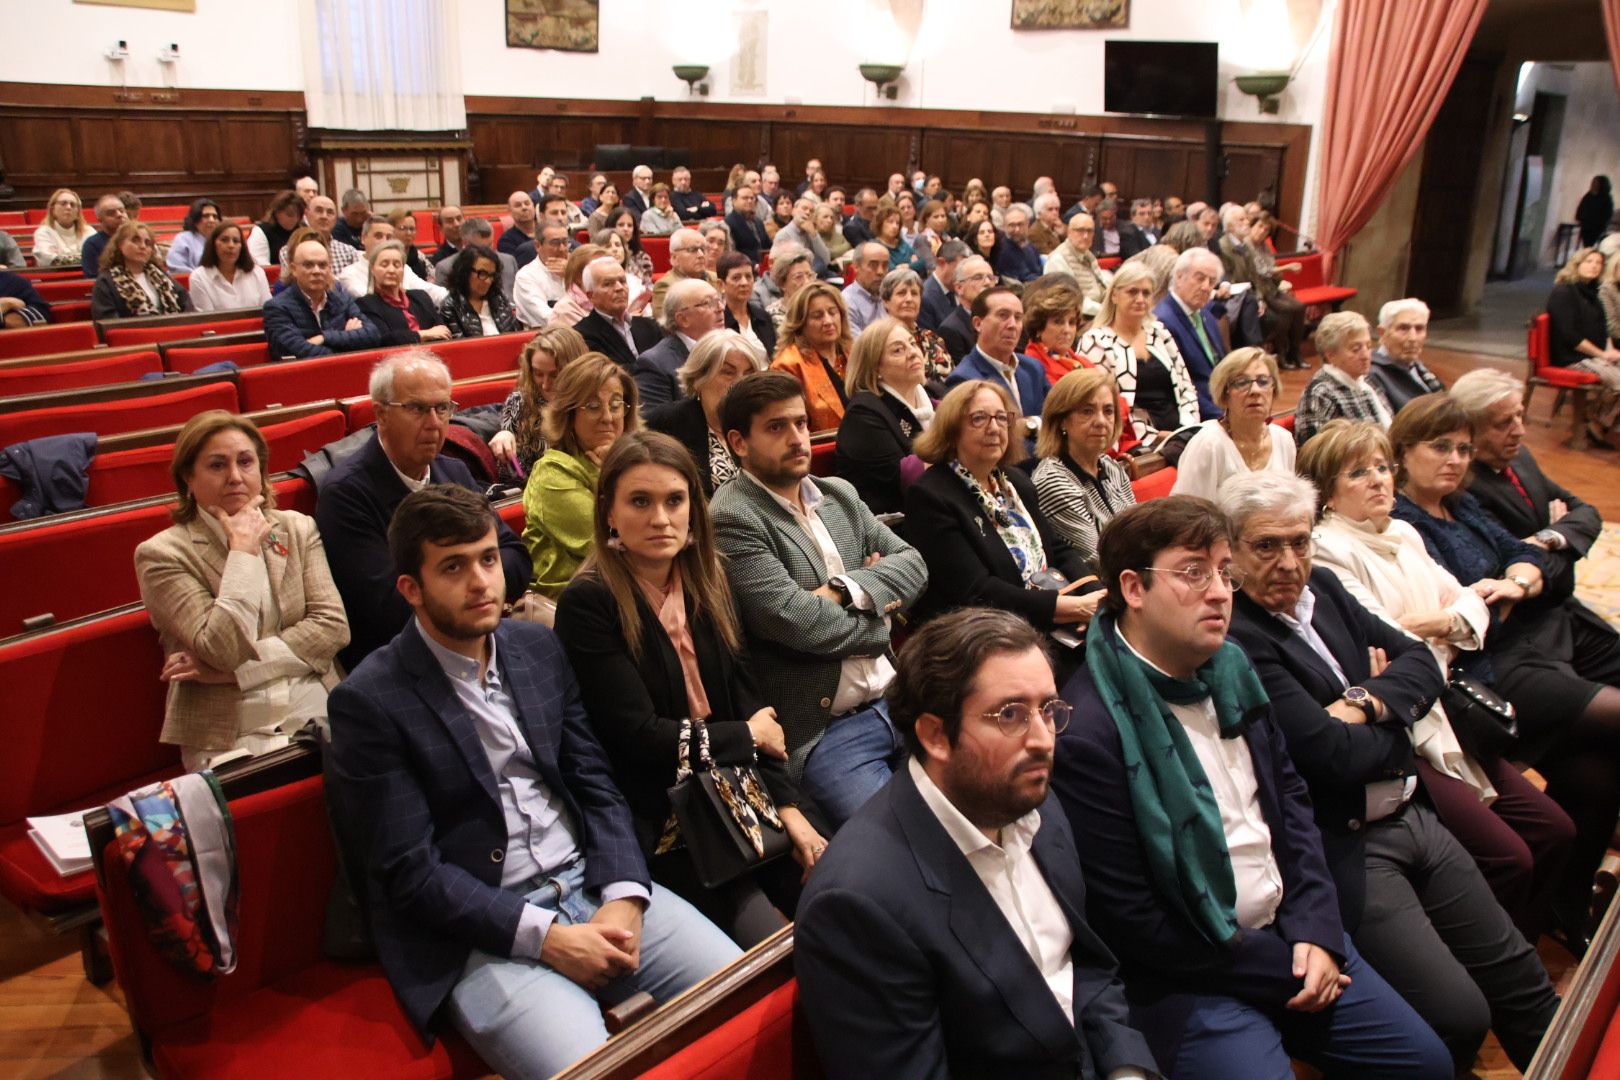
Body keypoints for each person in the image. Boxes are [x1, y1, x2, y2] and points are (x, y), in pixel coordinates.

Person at [326, 482, 739, 1079]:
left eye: (489, 559)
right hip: (482, 927)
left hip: (593, 883)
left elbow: (595, 780)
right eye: (454, 567)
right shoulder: (369, 700)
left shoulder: (535, 647)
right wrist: (545, 937)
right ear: (410, 590)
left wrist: (624, 893)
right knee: (596, 1072)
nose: (481, 582)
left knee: (745, 1005)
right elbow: (408, 873)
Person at [1054, 495, 1452, 1079]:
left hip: (1294, 929)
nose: (1219, 592)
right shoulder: (1088, 729)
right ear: (1133, 589)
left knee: (1425, 1064)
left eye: (1223, 571)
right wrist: (1288, 962)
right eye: (1193, 572)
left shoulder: (1232, 666)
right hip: (1194, 975)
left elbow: (1292, 804)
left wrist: (1316, 929)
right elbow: (1133, 917)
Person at [1221, 472, 1558, 1072]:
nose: (1288, 561)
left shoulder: (1323, 587)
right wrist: (1395, 711)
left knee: (1524, 982)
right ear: (1231, 552)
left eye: (1298, 541)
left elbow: (1421, 661)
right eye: (1266, 545)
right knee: (1459, 1014)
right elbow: (1328, 755)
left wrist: (1364, 704)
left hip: (1412, 810)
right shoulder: (1237, 636)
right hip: (1349, 843)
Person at [796, 606, 1159, 1078]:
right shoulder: (858, 903)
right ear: (935, 735)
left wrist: (1126, 1069)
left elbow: (1083, 964)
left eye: (1048, 710)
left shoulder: (1033, 802)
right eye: (1011, 714)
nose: (1043, 738)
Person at [1299, 418, 1577, 942]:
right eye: (1360, 472)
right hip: (1411, 729)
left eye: (1383, 466)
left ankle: (1524, 947)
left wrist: (1435, 628)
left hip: (1453, 709)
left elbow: (1473, 600)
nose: (1381, 479)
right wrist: (1446, 627)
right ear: (1327, 493)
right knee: (1510, 857)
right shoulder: (1326, 549)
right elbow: (1377, 645)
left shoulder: (1404, 531)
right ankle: (1493, 964)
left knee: (1555, 830)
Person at [553, 432, 826, 947]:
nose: (660, 518)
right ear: (609, 513)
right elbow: (639, 738)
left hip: (742, 788)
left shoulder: (709, 579)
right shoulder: (589, 603)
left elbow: (753, 704)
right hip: (668, 817)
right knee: (774, 945)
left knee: (838, 894)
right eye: (640, 501)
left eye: (675, 500)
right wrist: (744, 736)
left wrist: (790, 811)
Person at [1388, 393, 1620, 946]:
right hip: (1483, 673)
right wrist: (1494, 595)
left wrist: (1515, 582)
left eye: (1463, 449)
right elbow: (1442, 614)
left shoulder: (1459, 504)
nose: (1455, 459)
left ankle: (1561, 904)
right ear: (1402, 452)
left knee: (1597, 770)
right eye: (1440, 446)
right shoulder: (1404, 521)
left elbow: (1531, 558)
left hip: (1524, 649)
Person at [711, 371, 926, 826]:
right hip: (826, 731)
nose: (797, 438)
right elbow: (796, 622)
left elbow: (914, 564)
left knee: (977, 804)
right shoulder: (732, 516)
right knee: (903, 844)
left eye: (802, 424)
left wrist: (844, 589)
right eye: (776, 427)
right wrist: (881, 615)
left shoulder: (838, 494)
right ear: (739, 441)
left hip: (898, 698)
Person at [134, 411, 348, 772]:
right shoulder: (162, 554)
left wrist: (235, 673)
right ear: (188, 477)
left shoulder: (296, 529)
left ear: (261, 472)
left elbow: (332, 627)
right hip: (228, 732)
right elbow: (222, 649)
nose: (235, 477)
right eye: (217, 465)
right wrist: (242, 552)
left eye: (245, 462)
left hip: (315, 704)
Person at [316, 351, 530, 671]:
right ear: (381, 413)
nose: (434, 423)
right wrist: (482, 588)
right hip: (404, 663)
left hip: (477, 641)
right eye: (417, 408)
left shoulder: (454, 473)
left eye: (442, 408)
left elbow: (516, 556)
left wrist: (460, 587)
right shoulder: (346, 494)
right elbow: (387, 610)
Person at [905, 379, 1100, 652]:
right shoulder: (931, 496)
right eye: (979, 418)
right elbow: (976, 591)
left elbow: (1055, 548)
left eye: (1001, 418)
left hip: (1051, 618)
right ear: (951, 429)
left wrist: (1092, 591)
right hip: (984, 638)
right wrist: (1066, 608)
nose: (994, 428)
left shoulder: (1015, 481)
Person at [523, 354, 639, 597]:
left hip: (632, 591)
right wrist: (618, 477)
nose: (608, 417)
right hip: (577, 603)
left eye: (616, 405)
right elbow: (616, 546)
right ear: (569, 414)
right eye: (593, 406)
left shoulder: (635, 459)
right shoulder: (552, 473)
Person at [1080, 262, 1198, 449]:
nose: (1140, 299)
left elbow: (1186, 387)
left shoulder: (1159, 332)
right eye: (1132, 292)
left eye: (1146, 293)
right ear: (1114, 296)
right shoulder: (1096, 341)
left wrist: (1188, 427)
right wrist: (1154, 436)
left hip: (1181, 432)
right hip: (1134, 440)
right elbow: (1101, 404)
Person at [1030, 367, 1136, 565]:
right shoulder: (1053, 481)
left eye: (1108, 411)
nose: (1101, 421)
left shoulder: (1111, 467)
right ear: (1061, 421)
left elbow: (1140, 531)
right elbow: (1100, 560)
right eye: (1087, 411)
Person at [645, 330, 767, 496]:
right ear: (698, 378)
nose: (740, 382)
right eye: (728, 372)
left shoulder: (763, 421)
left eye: (749, 373)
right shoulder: (668, 424)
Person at [835, 317, 934, 515]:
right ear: (875, 368)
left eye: (912, 343)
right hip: (896, 526)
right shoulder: (863, 414)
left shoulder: (934, 397)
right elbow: (908, 480)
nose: (913, 352)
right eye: (898, 350)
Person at [1173, 349, 1294, 500]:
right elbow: (1189, 516)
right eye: (1242, 382)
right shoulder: (1209, 444)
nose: (1255, 391)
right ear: (1224, 395)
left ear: (1273, 390)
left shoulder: (1284, 440)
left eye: (1263, 381)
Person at [945, 286, 1050, 433]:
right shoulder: (965, 379)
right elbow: (994, 435)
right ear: (978, 324)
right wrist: (1037, 425)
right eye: (1003, 315)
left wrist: (1028, 425)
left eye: (1018, 318)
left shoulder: (1033, 368)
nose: (1012, 325)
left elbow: (1056, 417)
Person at [1546, 246, 1620, 440]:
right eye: (1589, 262)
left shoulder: (1592, 293)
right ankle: (1600, 423)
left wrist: (1611, 350)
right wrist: (1602, 355)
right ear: (1577, 264)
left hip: (1593, 354)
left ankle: (1599, 422)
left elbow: (1604, 328)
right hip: (1571, 356)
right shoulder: (1564, 292)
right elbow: (1570, 336)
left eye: (1598, 263)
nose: (1594, 266)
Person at [263, 236, 378, 359]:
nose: (317, 271)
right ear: (294, 269)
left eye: (322, 265)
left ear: (329, 269)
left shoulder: (342, 300)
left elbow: (372, 335)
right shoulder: (276, 307)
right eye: (308, 265)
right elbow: (299, 351)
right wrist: (346, 339)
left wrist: (324, 337)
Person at [1293, 311, 1393, 445]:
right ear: (1331, 355)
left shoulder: (1366, 381)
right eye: (1356, 349)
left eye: (1368, 346)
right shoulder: (1321, 392)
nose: (1366, 356)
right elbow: (1314, 452)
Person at [1153, 248, 1227, 417]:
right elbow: (1182, 386)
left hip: (1221, 403)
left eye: (1212, 281)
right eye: (1200, 278)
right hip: (1200, 413)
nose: (1206, 287)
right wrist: (1223, 418)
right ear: (1179, 277)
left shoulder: (1206, 315)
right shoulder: (1164, 321)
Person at [771, 281, 853, 432]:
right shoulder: (788, 365)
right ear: (800, 323)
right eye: (817, 316)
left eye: (832, 312)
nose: (828, 321)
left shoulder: (853, 352)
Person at [635, 277, 721, 409]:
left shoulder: (731, 348)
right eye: (708, 303)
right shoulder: (655, 364)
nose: (720, 308)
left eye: (719, 300)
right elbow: (654, 423)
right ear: (683, 319)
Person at [571, 255, 661, 373]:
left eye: (622, 281)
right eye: (608, 284)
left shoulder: (650, 326)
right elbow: (610, 374)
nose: (619, 288)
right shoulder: (582, 335)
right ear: (590, 295)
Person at [354, 241, 453, 347]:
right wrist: (425, 334)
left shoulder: (421, 297)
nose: (391, 270)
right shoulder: (365, 304)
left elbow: (442, 331)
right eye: (384, 265)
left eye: (397, 265)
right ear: (372, 269)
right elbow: (384, 339)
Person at [90, 221, 193, 320]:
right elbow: (107, 320)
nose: (143, 246)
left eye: (147, 243)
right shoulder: (106, 281)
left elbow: (186, 304)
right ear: (120, 245)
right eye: (135, 240)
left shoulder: (160, 275)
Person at [879, 266, 952, 385]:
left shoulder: (932, 339)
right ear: (886, 301)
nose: (909, 299)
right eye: (901, 293)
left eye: (914, 293)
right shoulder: (879, 341)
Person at [1368, 298, 1444, 411]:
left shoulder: (1419, 368)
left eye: (1419, 329)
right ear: (1382, 332)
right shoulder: (1371, 374)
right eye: (1403, 328)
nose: (1413, 338)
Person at [437, 244, 521, 339]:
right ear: (465, 272)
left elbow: (515, 335)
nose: (488, 281)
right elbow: (460, 347)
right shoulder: (450, 306)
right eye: (482, 273)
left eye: (492, 275)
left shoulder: (499, 298)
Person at [188, 222, 271, 312]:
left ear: (242, 247)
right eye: (224, 240)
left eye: (236, 241)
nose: (231, 245)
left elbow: (268, 310)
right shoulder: (199, 277)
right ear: (213, 245)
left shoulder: (257, 272)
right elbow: (207, 320)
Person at [438, 218, 519, 304]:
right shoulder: (446, 268)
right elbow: (444, 304)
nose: (488, 252)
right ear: (465, 243)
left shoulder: (509, 261)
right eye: (481, 248)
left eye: (490, 245)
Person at [1046, 214, 1111, 318]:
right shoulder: (1058, 259)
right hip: (1078, 319)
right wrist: (1106, 311)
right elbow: (1069, 300)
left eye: (1089, 231)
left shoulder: (1088, 255)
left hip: (1098, 312)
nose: (1085, 236)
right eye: (1080, 230)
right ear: (1069, 232)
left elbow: (1101, 285)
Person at [715, 251, 777, 358]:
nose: (744, 283)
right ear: (721, 285)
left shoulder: (763, 317)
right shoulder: (718, 322)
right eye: (736, 278)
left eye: (748, 276)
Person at [649, 227, 713, 322]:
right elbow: (666, 326)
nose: (701, 255)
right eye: (693, 250)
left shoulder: (715, 278)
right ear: (674, 258)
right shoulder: (666, 286)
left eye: (703, 249)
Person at [30, 188, 92, 268]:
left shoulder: (89, 231)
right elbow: (53, 261)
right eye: (63, 203)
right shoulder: (43, 233)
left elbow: (97, 257)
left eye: (73, 204)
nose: (68, 207)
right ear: (52, 209)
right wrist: (84, 258)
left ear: (78, 212)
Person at [245, 190, 304, 270]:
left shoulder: (302, 230)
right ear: (277, 212)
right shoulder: (261, 231)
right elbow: (262, 267)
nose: (295, 219)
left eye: (298, 215)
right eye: (290, 214)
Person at [919, 238, 967, 332]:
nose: (964, 274)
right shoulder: (925, 297)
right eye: (961, 268)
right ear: (941, 263)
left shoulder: (955, 289)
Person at [164, 198, 221, 274]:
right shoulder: (183, 239)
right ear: (195, 219)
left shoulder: (222, 239)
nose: (211, 220)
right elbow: (177, 267)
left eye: (215, 216)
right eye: (206, 216)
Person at [842, 242, 888, 335]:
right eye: (873, 265)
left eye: (885, 265)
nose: (880, 271)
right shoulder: (846, 302)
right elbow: (859, 347)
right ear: (856, 267)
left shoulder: (890, 295)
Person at [723, 186, 771, 266]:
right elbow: (732, 254)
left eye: (752, 198)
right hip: (742, 267)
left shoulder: (758, 222)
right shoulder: (728, 223)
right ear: (734, 201)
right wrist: (754, 265)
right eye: (745, 198)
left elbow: (767, 246)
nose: (749, 201)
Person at [995, 205, 1043, 283]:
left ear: (1027, 225)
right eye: (1012, 225)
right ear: (1004, 227)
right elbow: (1022, 279)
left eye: (1020, 224)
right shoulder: (1002, 251)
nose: (1017, 230)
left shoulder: (1031, 247)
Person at [498, 190, 540, 262]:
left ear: (533, 206)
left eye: (527, 203)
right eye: (518, 205)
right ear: (510, 211)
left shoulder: (546, 231)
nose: (524, 207)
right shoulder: (506, 241)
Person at [1576, 175, 1614, 248]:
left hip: (1597, 227)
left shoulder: (1606, 197)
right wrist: (1581, 219)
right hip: (1586, 225)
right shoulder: (1588, 195)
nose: (1593, 183)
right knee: (1587, 245)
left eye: (1595, 182)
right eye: (1593, 182)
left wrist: (1600, 222)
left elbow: (1608, 213)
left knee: (1592, 245)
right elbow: (1581, 208)